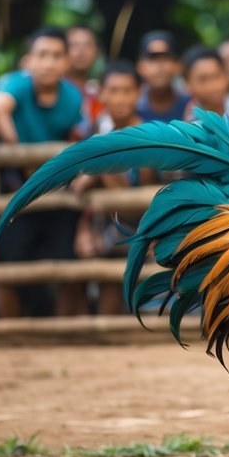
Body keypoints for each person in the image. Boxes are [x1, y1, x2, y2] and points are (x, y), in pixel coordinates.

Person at [0, 26, 86, 318]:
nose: (48, 63)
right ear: (28, 60)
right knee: (9, 264)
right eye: (42, 55)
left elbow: (74, 135)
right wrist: (20, 153)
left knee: (67, 263)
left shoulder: (72, 97)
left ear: (67, 61)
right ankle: (11, 335)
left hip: (55, 190)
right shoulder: (18, 84)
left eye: (56, 56)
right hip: (16, 187)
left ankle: (63, 333)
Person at [71, 61, 143, 316]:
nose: (120, 98)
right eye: (113, 90)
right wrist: (82, 229)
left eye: (127, 90)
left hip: (141, 226)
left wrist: (98, 166)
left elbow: (147, 193)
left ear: (138, 93)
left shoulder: (153, 135)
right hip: (101, 224)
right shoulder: (89, 130)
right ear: (101, 93)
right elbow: (75, 186)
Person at [135, 30, 189, 124]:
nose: (160, 66)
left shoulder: (191, 105)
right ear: (140, 67)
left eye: (166, 58)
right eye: (152, 59)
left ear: (178, 65)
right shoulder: (132, 106)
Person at [181, 46, 229, 123]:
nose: (212, 87)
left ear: (226, 75)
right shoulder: (189, 120)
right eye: (203, 80)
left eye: (216, 76)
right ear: (187, 83)